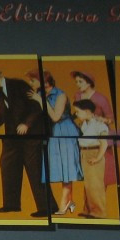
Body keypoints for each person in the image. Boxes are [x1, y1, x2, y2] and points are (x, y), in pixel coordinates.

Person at [0, 66, 55, 217]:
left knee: (35, 169)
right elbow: (2, 116)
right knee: (7, 164)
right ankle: (11, 204)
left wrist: (26, 124)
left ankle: (47, 207)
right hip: (12, 136)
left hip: (31, 135)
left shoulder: (19, 85)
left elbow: (37, 107)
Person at [38, 71, 82, 215]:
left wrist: (41, 101)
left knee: (67, 168)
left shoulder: (60, 95)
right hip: (53, 133)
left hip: (65, 130)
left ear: (46, 82)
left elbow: (56, 117)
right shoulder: (40, 93)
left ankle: (64, 204)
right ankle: (70, 201)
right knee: (60, 169)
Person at [71, 70, 117, 187]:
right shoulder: (77, 96)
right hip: (84, 135)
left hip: (98, 137)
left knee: (101, 175)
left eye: (80, 81)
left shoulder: (101, 98)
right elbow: (76, 113)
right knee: (88, 176)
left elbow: (111, 118)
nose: (78, 84)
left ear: (89, 82)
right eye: (76, 81)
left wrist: (101, 119)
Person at [71, 99, 110, 218]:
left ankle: (99, 212)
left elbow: (104, 143)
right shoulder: (83, 124)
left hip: (94, 153)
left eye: (78, 111)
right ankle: (88, 210)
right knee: (88, 185)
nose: (76, 114)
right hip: (84, 153)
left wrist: (98, 158)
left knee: (95, 185)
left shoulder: (99, 125)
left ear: (87, 112)